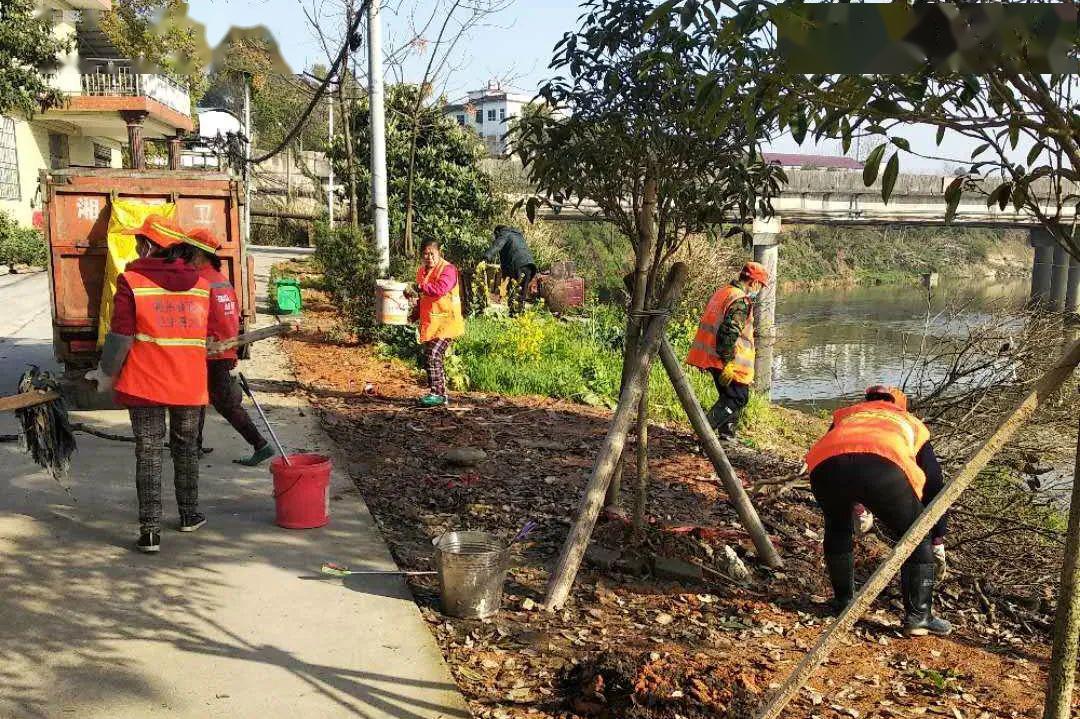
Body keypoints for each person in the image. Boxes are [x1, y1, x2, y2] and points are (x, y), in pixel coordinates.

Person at [88, 215, 211, 553]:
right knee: (186, 448)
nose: (137, 245)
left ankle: (151, 531)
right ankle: (188, 515)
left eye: (141, 240)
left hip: (145, 384)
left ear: (152, 245)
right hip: (188, 384)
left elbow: (120, 336)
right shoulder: (201, 284)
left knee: (149, 451)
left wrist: (105, 374)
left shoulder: (133, 280)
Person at [805, 385, 951, 636]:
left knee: (837, 526)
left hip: (824, 468)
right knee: (917, 536)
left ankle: (843, 602)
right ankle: (919, 617)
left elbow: (847, 457)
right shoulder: (910, 422)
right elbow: (934, 482)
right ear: (900, 404)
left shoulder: (849, 415)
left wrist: (857, 506)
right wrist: (936, 535)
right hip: (884, 470)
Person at [185, 228, 274, 467]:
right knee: (199, 397)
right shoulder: (221, 280)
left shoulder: (199, 281)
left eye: (189, 252)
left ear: (199, 254)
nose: (185, 257)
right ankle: (194, 445)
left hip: (211, 351)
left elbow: (194, 318)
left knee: (224, 403)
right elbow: (233, 317)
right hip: (224, 349)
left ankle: (260, 444)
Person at [686, 261, 770, 441]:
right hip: (727, 360)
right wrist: (729, 363)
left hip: (712, 357)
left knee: (728, 397)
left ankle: (727, 437)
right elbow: (729, 332)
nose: (760, 290)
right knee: (738, 398)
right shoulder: (740, 300)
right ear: (754, 283)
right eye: (761, 286)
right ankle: (703, 434)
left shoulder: (723, 292)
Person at [407, 239, 464, 407]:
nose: (429, 257)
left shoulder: (448, 270)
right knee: (431, 356)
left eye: (432, 253)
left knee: (433, 355)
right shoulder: (422, 272)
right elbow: (422, 298)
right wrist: (414, 314)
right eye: (425, 254)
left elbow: (440, 289)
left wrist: (418, 287)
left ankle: (438, 394)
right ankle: (440, 394)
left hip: (447, 322)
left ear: (439, 253)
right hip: (432, 323)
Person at [483, 225, 537, 309]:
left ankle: (512, 315)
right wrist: (502, 292)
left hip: (518, 265)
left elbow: (497, 245)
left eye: (495, 236)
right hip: (529, 266)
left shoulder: (504, 233)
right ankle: (519, 317)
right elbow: (505, 270)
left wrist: (485, 257)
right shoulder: (518, 235)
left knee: (513, 294)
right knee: (521, 296)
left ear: (497, 232)